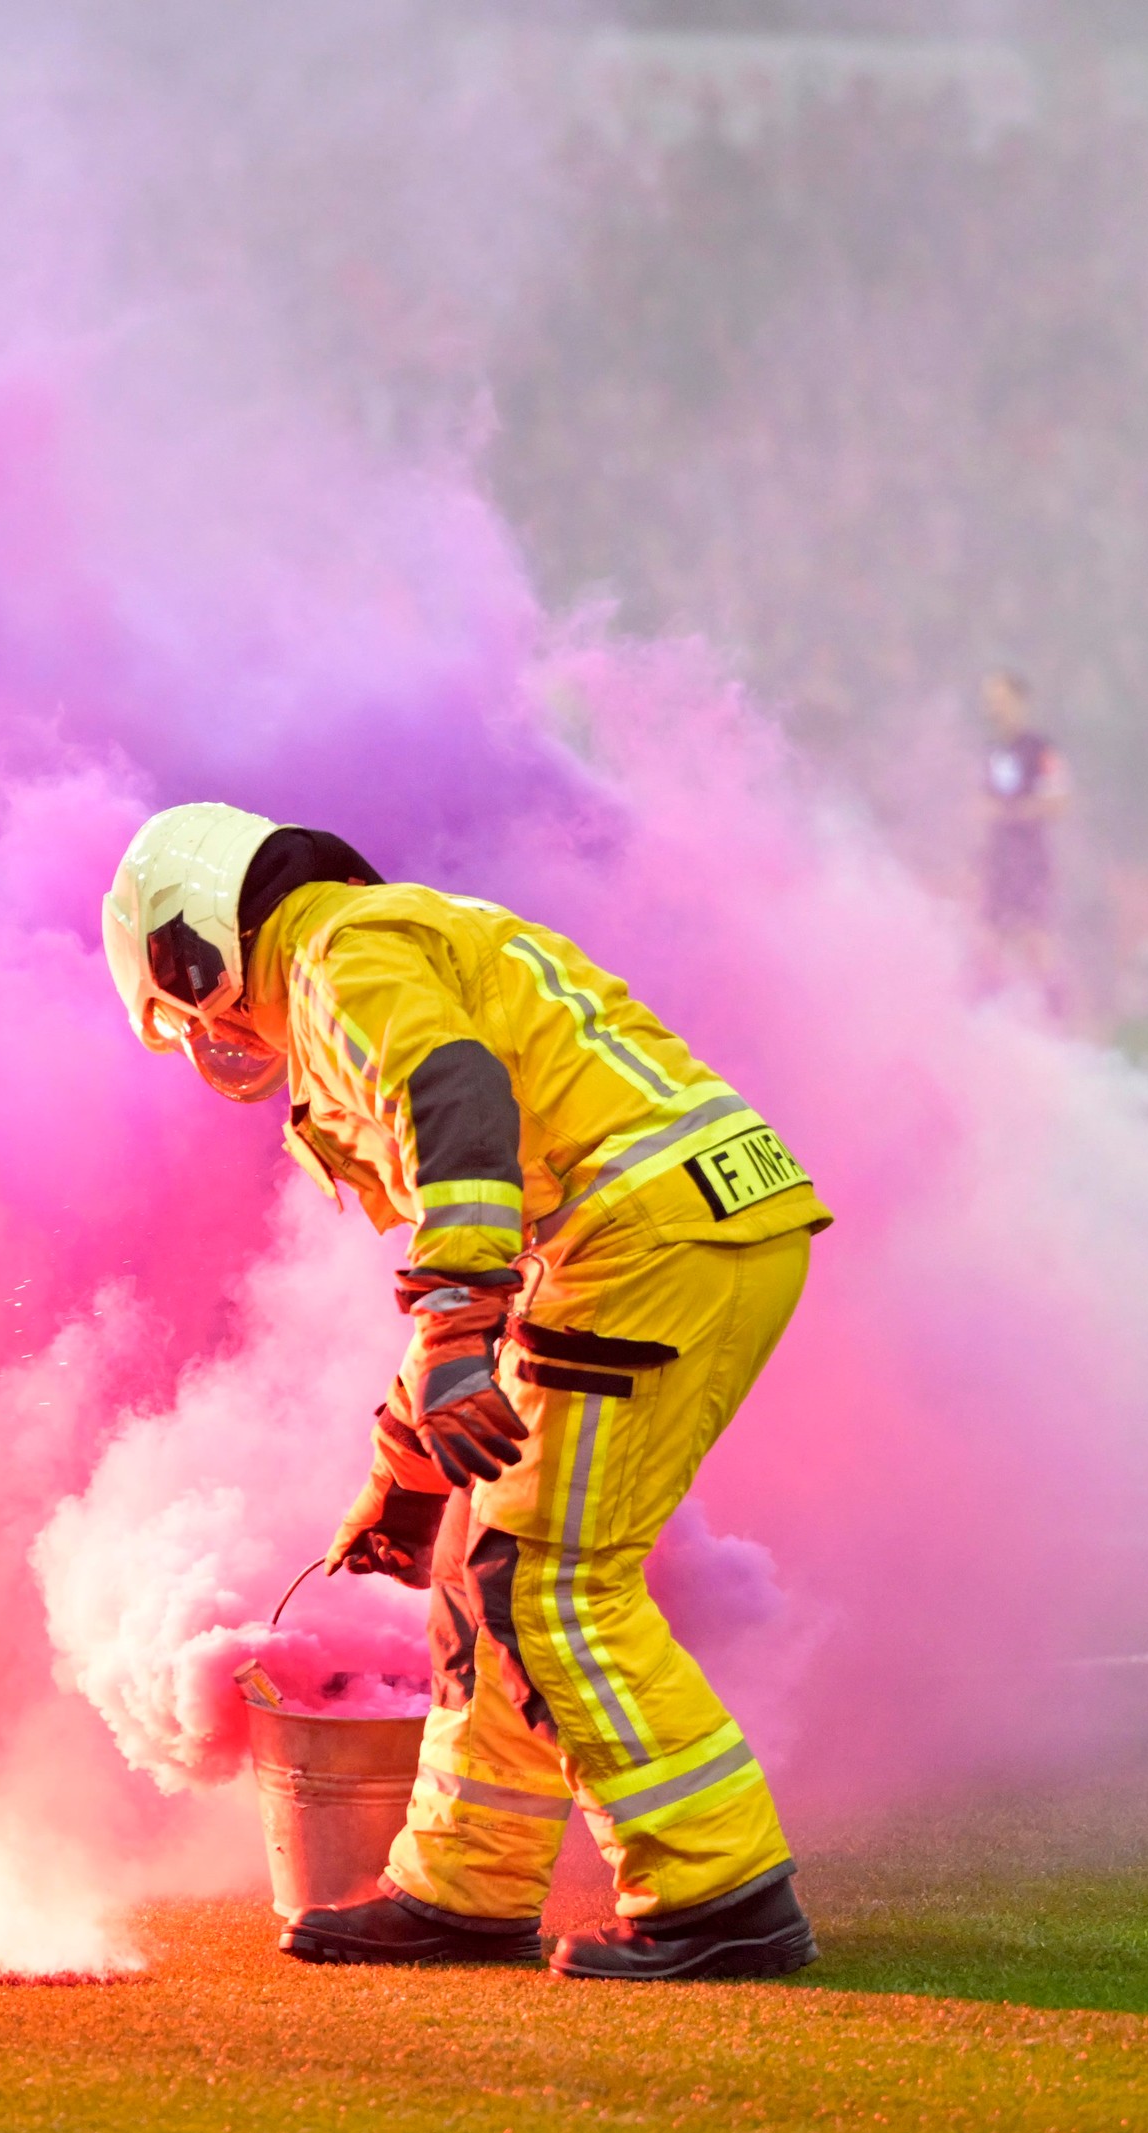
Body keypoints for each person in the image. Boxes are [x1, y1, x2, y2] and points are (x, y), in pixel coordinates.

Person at [102, 804, 828, 1982]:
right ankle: (463, 1889)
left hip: (640, 1240)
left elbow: (460, 1106)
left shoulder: (334, 959)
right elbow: (492, 1240)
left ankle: (719, 1893)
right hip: (677, 1226)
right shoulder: (386, 932)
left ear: (197, 950)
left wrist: (452, 1336)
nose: (216, 1036)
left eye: (194, 1008)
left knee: (550, 1584)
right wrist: (405, 1478)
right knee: (488, 1573)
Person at [971, 669, 1074, 1022]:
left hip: (1029, 859)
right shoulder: (992, 751)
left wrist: (1012, 812)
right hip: (998, 860)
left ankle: (1058, 1021)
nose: (994, 709)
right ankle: (989, 1023)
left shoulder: (1040, 749)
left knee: (1036, 943)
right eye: (990, 703)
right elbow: (983, 803)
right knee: (988, 945)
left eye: (1001, 701)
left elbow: (1059, 801)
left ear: (1021, 703)